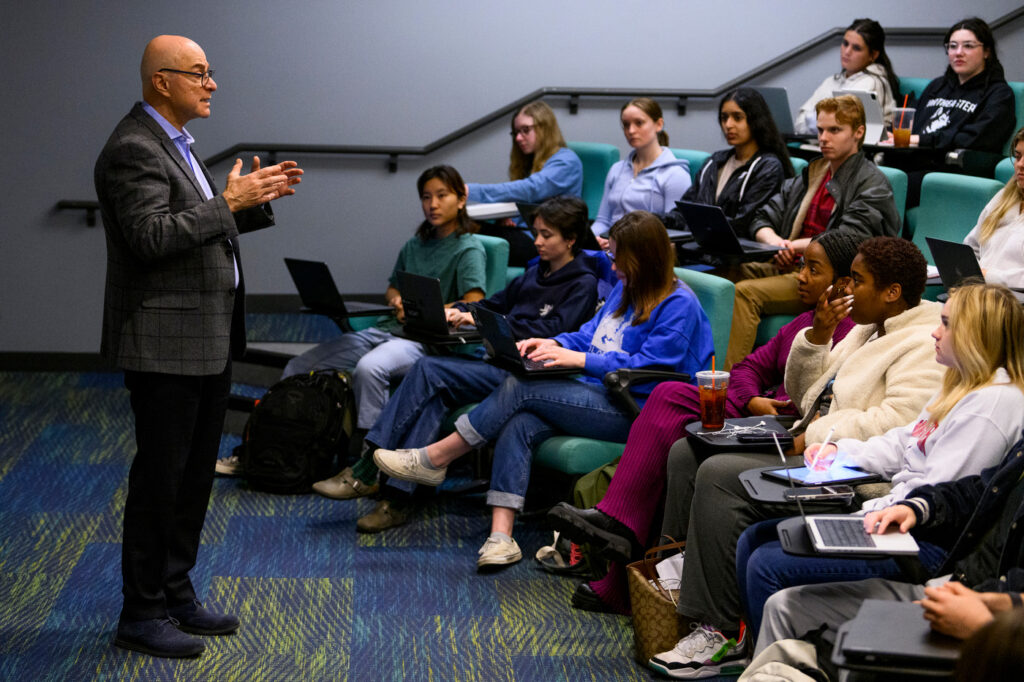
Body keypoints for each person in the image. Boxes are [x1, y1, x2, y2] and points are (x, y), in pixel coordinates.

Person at [647, 237, 944, 679]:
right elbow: (807, 396)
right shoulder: (867, 327)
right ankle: (675, 585)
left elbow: (898, 422)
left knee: (720, 476)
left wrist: (820, 434)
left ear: (892, 292)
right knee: (688, 452)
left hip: (852, 473)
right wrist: (819, 336)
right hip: (813, 446)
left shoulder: (921, 341)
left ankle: (720, 631)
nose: (846, 291)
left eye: (857, 282)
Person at [95, 35, 303, 657]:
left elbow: (198, 223)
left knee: (192, 479)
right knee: (161, 479)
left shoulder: (176, 143)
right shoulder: (133, 148)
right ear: (162, 81)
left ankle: (175, 591)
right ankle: (141, 613)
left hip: (206, 338)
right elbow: (153, 238)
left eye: (212, 73)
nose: (212, 84)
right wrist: (228, 203)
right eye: (200, 74)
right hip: (165, 343)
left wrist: (249, 202)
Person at [373, 211, 714, 569]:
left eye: (619, 259)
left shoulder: (679, 303)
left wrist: (578, 360)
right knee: (521, 419)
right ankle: (502, 537)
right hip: (597, 393)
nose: (613, 269)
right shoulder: (627, 288)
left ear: (645, 259)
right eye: (611, 257)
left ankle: (436, 458)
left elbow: (650, 368)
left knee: (520, 387)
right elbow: (589, 335)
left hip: (635, 409)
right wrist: (549, 342)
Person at [545, 230, 860, 615]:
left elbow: (816, 399)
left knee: (673, 420)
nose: (801, 276)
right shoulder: (801, 322)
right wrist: (753, 399)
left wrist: (771, 399)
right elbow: (748, 367)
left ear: (843, 282)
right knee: (669, 406)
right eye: (801, 266)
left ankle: (619, 538)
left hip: (788, 434)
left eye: (813, 269)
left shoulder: (848, 333)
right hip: (756, 415)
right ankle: (620, 538)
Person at [736, 282, 1024, 636]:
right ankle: (761, 656)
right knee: (752, 539)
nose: (935, 331)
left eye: (947, 324)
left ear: (976, 335)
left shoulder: (989, 407)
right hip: (896, 521)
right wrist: (839, 451)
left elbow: (939, 496)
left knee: (766, 563)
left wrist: (864, 518)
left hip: (923, 544)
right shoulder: (962, 383)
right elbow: (904, 442)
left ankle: (790, 663)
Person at [311, 196, 601, 532]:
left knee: (428, 369)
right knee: (435, 396)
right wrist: (462, 310)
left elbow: (551, 332)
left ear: (570, 240)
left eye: (546, 235)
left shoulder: (583, 284)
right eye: (536, 232)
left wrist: (485, 323)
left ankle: (365, 467)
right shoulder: (537, 271)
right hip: (498, 361)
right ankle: (399, 499)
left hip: (527, 379)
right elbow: (494, 304)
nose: (536, 242)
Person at [214, 166, 488, 476]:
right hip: (388, 330)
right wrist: (397, 300)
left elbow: (474, 302)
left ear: (461, 199)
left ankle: (367, 466)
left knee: (370, 369)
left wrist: (422, 309)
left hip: (425, 342)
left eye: (442, 196)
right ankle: (262, 447)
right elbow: (393, 287)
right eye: (426, 197)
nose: (433, 205)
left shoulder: (469, 248)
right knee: (297, 368)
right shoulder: (416, 244)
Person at [753, 427, 1024, 681]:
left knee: (768, 565)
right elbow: (980, 490)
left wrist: (987, 620)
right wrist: (918, 507)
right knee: (782, 606)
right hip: (967, 585)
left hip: (996, 620)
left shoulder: (993, 402)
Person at [724, 94, 901, 368]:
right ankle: (694, 370)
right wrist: (776, 242)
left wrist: (791, 247)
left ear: (859, 132)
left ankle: (726, 385)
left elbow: (847, 239)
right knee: (718, 275)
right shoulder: (814, 173)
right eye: (820, 130)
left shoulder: (872, 183)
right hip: (788, 262)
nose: (824, 138)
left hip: (830, 278)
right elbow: (763, 216)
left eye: (834, 130)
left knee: (745, 292)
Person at [661, 88, 794, 240]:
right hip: (700, 246)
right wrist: (655, 220)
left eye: (737, 118)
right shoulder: (715, 161)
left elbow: (743, 224)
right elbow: (684, 211)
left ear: (756, 121)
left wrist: (694, 229)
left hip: (734, 255)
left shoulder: (768, 167)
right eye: (724, 118)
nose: (728, 125)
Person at [468, 100, 584, 265]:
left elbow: (531, 189)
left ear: (545, 128)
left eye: (525, 130)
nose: (518, 138)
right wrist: (505, 218)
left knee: (462, 232)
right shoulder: (529, 163)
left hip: (546, 242)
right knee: (459, 227)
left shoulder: (566, 161)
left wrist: (469, 191)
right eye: (516, 132)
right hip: (525, 234)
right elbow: (523, 203)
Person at [901, 17, 1015, 155]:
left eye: (968, 46)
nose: (958, 53)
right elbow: (910, 127)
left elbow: (973, 139)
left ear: (986, 52)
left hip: (952, 168)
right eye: (953, 46)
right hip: (911, 158)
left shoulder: (999, 94)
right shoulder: (937, 86)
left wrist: (922, 140)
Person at [590, 98, 691, 248]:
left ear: (659, 125)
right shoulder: (617, 169)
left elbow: (674, 233)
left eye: (639, 123)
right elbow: (603, 221)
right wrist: (590, 240)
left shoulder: (675, 174)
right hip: (610, 248)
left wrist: (618, 243)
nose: (631, 131)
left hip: (644, 252)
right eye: (626, 125)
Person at [793, 18, 899, 135]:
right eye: (845, 44)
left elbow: (842, 132)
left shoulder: (872, 82)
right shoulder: (831, 81)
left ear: (873, 55)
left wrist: (815, 121)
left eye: (856, 48)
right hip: (820, 149)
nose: (847, 51)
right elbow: (799, 123)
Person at [964, 126, 1024, 292]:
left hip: (1013, 305)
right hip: (978, 295)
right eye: (1018, 157)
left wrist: (991, 276)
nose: (1020, 165)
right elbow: (972, 246)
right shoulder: (1003, 197)